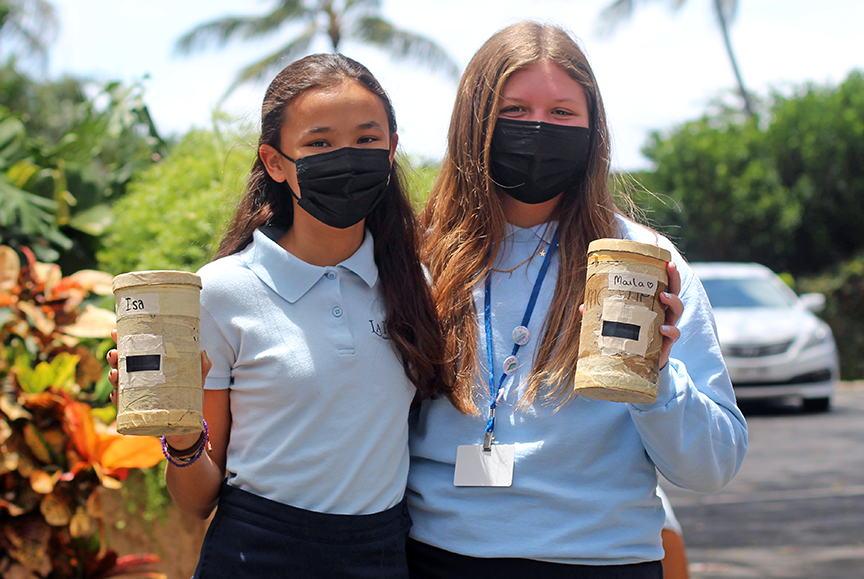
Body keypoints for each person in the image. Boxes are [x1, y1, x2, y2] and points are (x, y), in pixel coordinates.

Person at [406, 21, 748, 578]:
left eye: (563, 113)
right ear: (473, 122)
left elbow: (712, 468)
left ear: (594, 130)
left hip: (601, 560)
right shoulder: (416, 256)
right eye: (514, 111)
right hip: (436, 560)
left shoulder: (643, 262)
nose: (538, 128)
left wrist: (654, 378)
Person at [108, 53, 450, 578]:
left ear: (392, 149)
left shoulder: (415, 285)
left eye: (366, 139)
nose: (347, 157)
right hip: (257, 555)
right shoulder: (220, 291)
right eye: (319, 143)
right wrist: (178, 436)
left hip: (381, 553)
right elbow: (196, 501)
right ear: (274, 161)